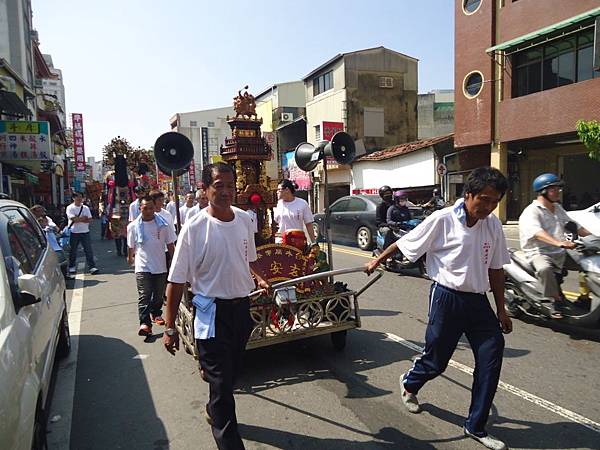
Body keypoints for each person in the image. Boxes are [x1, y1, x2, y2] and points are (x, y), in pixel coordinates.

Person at [365, 167, 513, 450]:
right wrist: (377, 260)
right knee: (436, 360)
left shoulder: (492, 225)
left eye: (495, 201)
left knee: (492, 355)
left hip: (477, 302)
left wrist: (501, 310)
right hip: (446, 298)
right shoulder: (443, 219)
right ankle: (410, 382)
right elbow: (404, 242)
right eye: (483, 199)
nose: (488, 206)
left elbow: (496, 269)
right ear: (468, 194)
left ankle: (476, 425)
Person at [164, 162, 269, 450]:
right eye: (218, 185)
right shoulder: (194, 228)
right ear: (205, 188)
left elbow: (249, 257)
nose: (225, 191)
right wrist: (170, 327)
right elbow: (175, 282)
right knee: (222, 382)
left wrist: (259, 277)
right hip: (209, 311)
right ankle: (229, 443)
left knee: (231, 374)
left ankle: (214, 407)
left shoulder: (246, 220)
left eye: (229, 185)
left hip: (241, 310)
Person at [519, 173, 592, 319]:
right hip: (539, 252)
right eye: (554, 189)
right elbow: (537, 232)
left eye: (558, 188)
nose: (558, 191)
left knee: (588, 263)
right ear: (543, 192)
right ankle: (554, 301)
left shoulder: (557, 208)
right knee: (545, 268)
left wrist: (593, 238)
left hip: (560, 251)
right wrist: (559, 242)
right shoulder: (532, 211)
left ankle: (584, 298)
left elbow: (574, 226)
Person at [127, 196, 177, 336]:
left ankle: (155, 313)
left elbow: (170, 245)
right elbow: (131, 246)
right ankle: (145, 324)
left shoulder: (163, 225)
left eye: (151, 208)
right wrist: (130, 258)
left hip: (160, 265)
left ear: (154, 208)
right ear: (140, 209)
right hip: (142, 266)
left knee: (159, 295)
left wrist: (174, 261)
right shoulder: (133, 226)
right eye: (145, 208)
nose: (148, 211)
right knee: (144, 295)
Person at [67, 192, 99, 274]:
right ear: (73, 198)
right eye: (78, 197)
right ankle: (72, 266)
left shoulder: (85, 208)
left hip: (85, 232)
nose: (80, 199)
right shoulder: (70, 208)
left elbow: (90, 219)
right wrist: (83, 218)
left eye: (81, 197)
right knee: (73, 250)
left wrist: (79, 219)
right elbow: (74, 219)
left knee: (88, 250)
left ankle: (92, 267)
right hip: (74, 232)